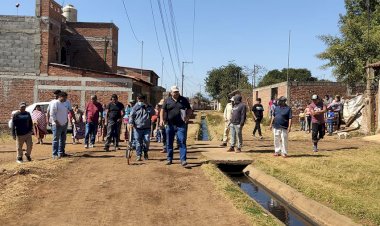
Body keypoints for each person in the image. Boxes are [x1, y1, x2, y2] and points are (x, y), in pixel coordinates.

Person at [160, 86, 192, 166]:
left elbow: (189, 109)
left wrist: (187, 117)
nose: (176, 93)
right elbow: (162, 110)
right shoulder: (167, 100)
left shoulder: (184, 100)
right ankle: (169, 159)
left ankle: (183, 160)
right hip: (170, 124)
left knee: (182, 141)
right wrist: (161, 120)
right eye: (174, 92)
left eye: (177, 92)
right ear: (171, 92)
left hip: (181, 125)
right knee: (169, 142)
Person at [129, 94, 155, 161]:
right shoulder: (135, 107)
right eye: (139, 99)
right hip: (137, 128)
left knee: (147, 141)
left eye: (141, 100)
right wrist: (131, 123)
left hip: (147, 128)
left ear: (144, 100)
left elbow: (153, 113)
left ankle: (145, 151)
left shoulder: (149, 106)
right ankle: (139, 155)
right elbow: (131, 116)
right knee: (138, 142)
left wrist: (148, 107)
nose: (140, 101)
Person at [50, 92, 75, 159]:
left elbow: (69, 111)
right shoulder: (56, 103)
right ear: (60, 96)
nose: (66, 99)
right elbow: (52, 114)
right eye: (65, 97)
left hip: (64, 124)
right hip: (57, 125)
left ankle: (61, 153)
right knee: (56, 139)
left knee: (63, 139)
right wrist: (57, 122)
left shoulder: (65, 103)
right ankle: (54, 154)